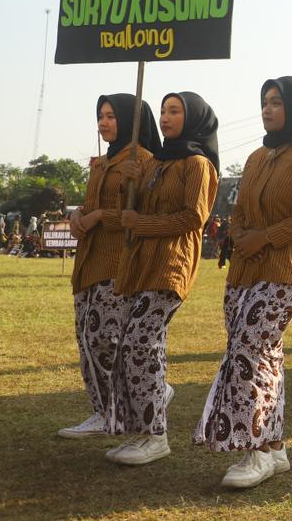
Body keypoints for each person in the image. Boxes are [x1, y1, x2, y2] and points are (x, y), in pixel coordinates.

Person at [194, 77, 292, 489]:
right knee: (264, 355)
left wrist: (266, 238)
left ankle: (254, 452)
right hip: (245, 268)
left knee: (249, 350)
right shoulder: (256, 157)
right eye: (264, 102)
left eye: (276, 102)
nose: (267, 109)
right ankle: (274, 449)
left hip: (286, 270)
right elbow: (239, 212)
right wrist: (239, 236)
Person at [104, 92, 219, 465]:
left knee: (140, 341)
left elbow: (193, 218)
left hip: (171, 264)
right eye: (165, 110)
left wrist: (144, 223)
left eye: (176, 111)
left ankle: (156, 435)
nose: (167, 117)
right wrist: (131, 185)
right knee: (133, 345)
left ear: (194, 118)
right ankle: (144, 429)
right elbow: (132, 211)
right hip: (143, 264)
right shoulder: (156, 162)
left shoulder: (197, 164)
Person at [58, 94, 160, 440]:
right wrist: (77, 215)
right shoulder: (100, 164)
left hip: (119, 262)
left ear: (131, 120)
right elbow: (89, 205)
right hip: (89, 260)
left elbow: (142, 214)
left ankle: (129, 402)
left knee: (105, 338)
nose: (103, 123)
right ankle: (102, 410)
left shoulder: (145, 162)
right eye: (100, 116)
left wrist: (102, 215)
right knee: (86, 338)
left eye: (112, 117)